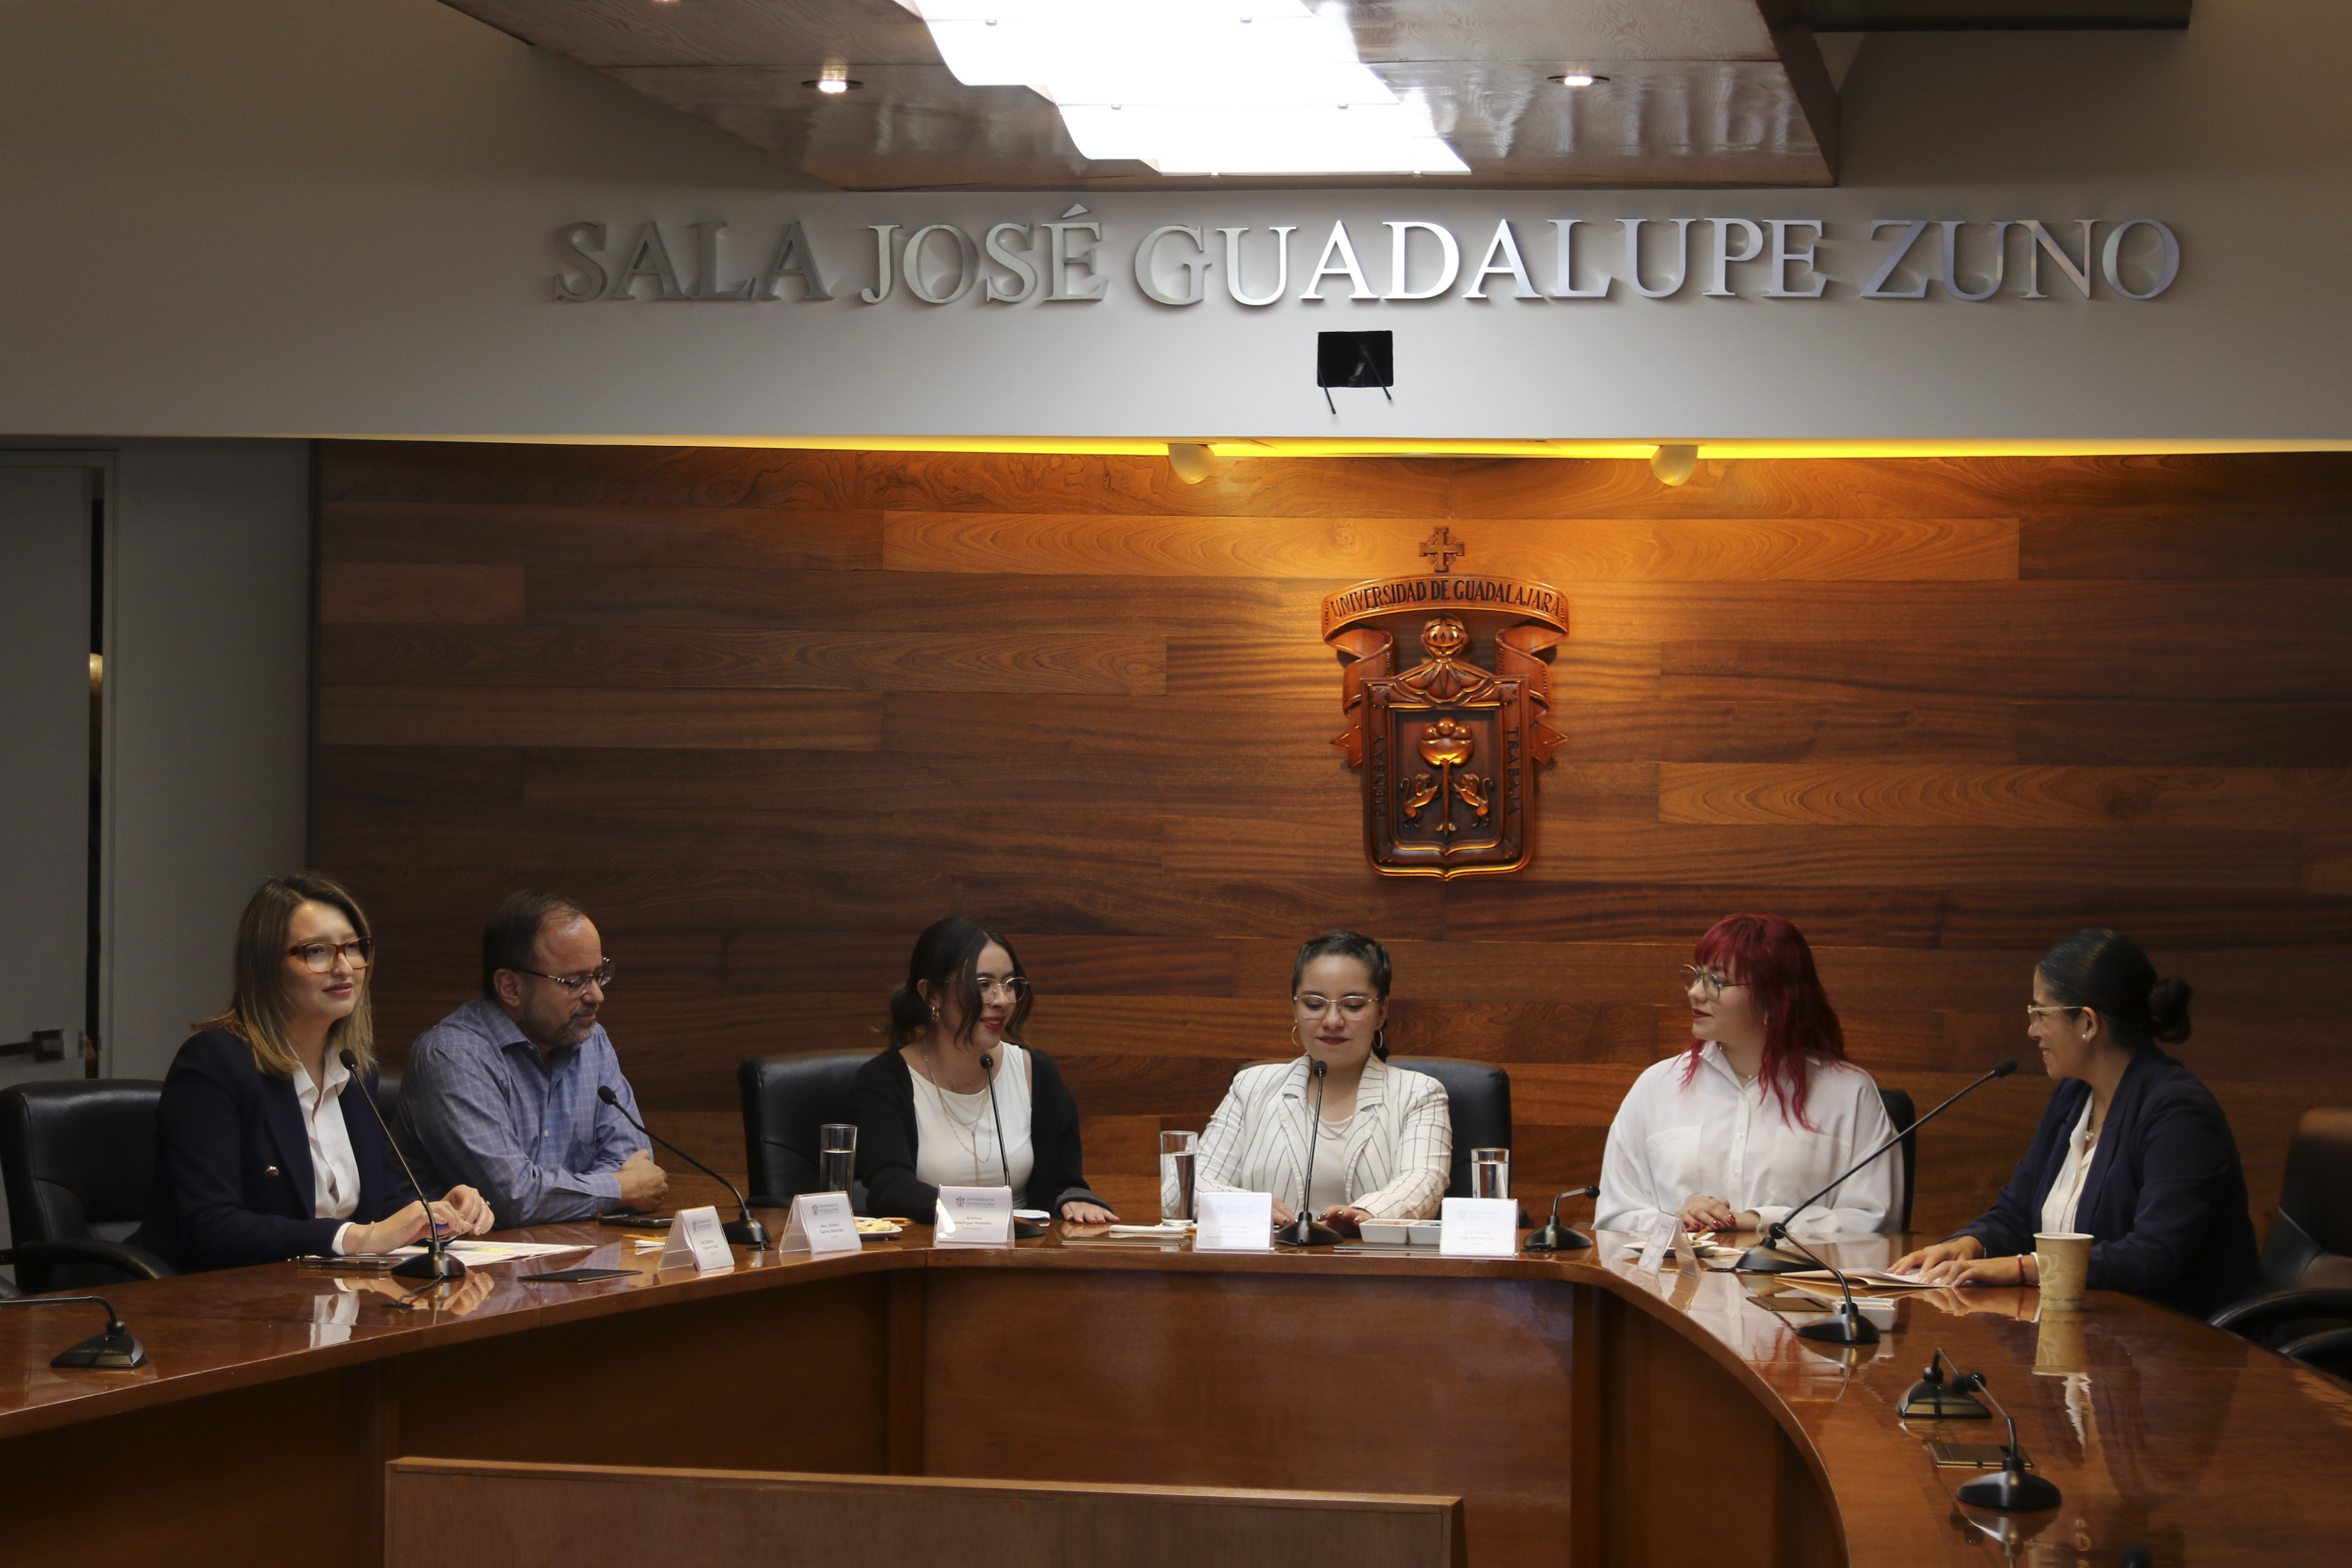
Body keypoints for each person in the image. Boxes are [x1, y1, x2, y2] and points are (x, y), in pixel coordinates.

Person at [1894, 929, 2261, 1317]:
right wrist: (1969, 1244)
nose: (2032, 1030)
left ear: (2087, 1022)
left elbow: (2153, 1255)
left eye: (2040, 1014)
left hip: (2176, 1339)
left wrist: (2024, 1267)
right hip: (2083, 1333)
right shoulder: (2073, 1095)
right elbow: (2018, 1211)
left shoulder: (2178, 1111)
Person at [136, 873, 492, 1272]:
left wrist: (435, 1216)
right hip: (221, 1297)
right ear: (266, 966)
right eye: (317, 951)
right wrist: (357, 1238)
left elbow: (379, 1206)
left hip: (328, 1294)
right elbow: (210, 1226)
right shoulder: (216, 1062)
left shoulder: (355, 1070)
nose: (344, 967)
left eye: (353, 947)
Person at [1594, 913, 1900, 1237]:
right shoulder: (1657, 1086)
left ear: (1775, 997)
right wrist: (1676, 1224)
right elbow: (1615, 1216)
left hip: (1791, 1272)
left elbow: (1876, 1222)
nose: (1695, 992)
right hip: (1677, 1271)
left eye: (1717, 981)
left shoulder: (1848, 1093)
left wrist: (1759, 1222)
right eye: (1697, 976)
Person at [400, 891, 668, 1230]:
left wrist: (598, 1190)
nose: (597, 995)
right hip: (467, 1260)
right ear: (511, 988)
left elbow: (635, 1163)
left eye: (599, 974)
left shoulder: (591, 1040)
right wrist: (619, 1188)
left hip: (575, 1248)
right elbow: (513, 1199)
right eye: (575, 982)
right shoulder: (453, 1056)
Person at [851, 918, 1117, 1224]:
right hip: (929, 1248)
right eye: (983, 985)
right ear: (931, 995)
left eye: (1009, 984)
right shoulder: (883, 1081)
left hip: (1023, 1246)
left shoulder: (1036, 1072)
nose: (1002, 1000)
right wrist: (976, 1216)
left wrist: (1076, 1200)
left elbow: (1065, 1183)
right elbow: (889, 1188)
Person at [1192, 931, 1449, 1229]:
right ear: (1295, 1009)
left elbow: (1424, 1182)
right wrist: (1250, 1208)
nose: (1332, 1021)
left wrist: (1366, 1214)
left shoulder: (1419, 1093)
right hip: (1269, 1255)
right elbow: (1188, 1186)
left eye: (1353, 1005)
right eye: (1314, 1004)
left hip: (1368, 1256)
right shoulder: (1251, 1088)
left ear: (1381, 1012)